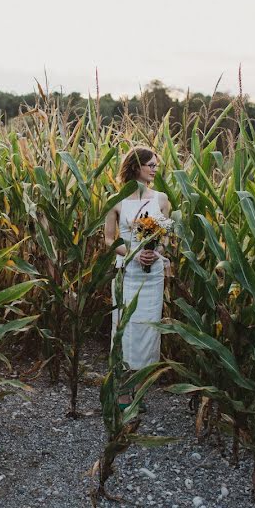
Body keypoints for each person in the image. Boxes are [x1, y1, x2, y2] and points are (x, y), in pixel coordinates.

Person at [104, 147, 172, 408]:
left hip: (152, 275)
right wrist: (135, 253)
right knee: (126, 327)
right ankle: (122, 391)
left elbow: (164, 237)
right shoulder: (117, 200)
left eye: (156, 165)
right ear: (135, 167)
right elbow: (110, 240)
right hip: (128, 272)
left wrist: (156, 253)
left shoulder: (162, 199)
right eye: (150, 165)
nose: (155, 169)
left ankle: (141, 390)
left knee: (148, 328)